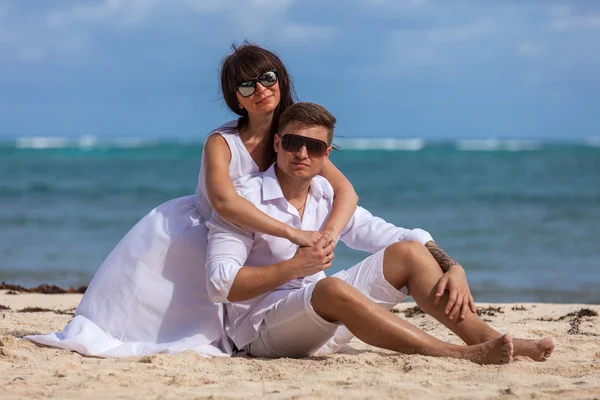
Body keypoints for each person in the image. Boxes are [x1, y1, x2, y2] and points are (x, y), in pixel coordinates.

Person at [26, 44, 359, 357]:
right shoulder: (221, 142)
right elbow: (224, 203)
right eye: (246, 86)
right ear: (236, 99)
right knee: (164, 329)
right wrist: (295, 234)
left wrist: (327, 234)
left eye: (267, 78)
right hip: (198, 237)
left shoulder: (292, 139)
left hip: (252, 243)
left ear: (280, 81)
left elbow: (346, 192)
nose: (260, 89)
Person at [205, 102, 555, 364]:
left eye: (313, 147)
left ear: (326, 154)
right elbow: (221, 284)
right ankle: (459, 355)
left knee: (408, 253)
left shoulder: (326, 198)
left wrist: (453, 266)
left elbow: (401, 236)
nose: (302, 153)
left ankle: (492, 339)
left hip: (327, 323)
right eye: (294, 142)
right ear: (278, 143)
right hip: (262, 333)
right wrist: (294, 268)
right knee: (331, 287)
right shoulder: (245, 201)